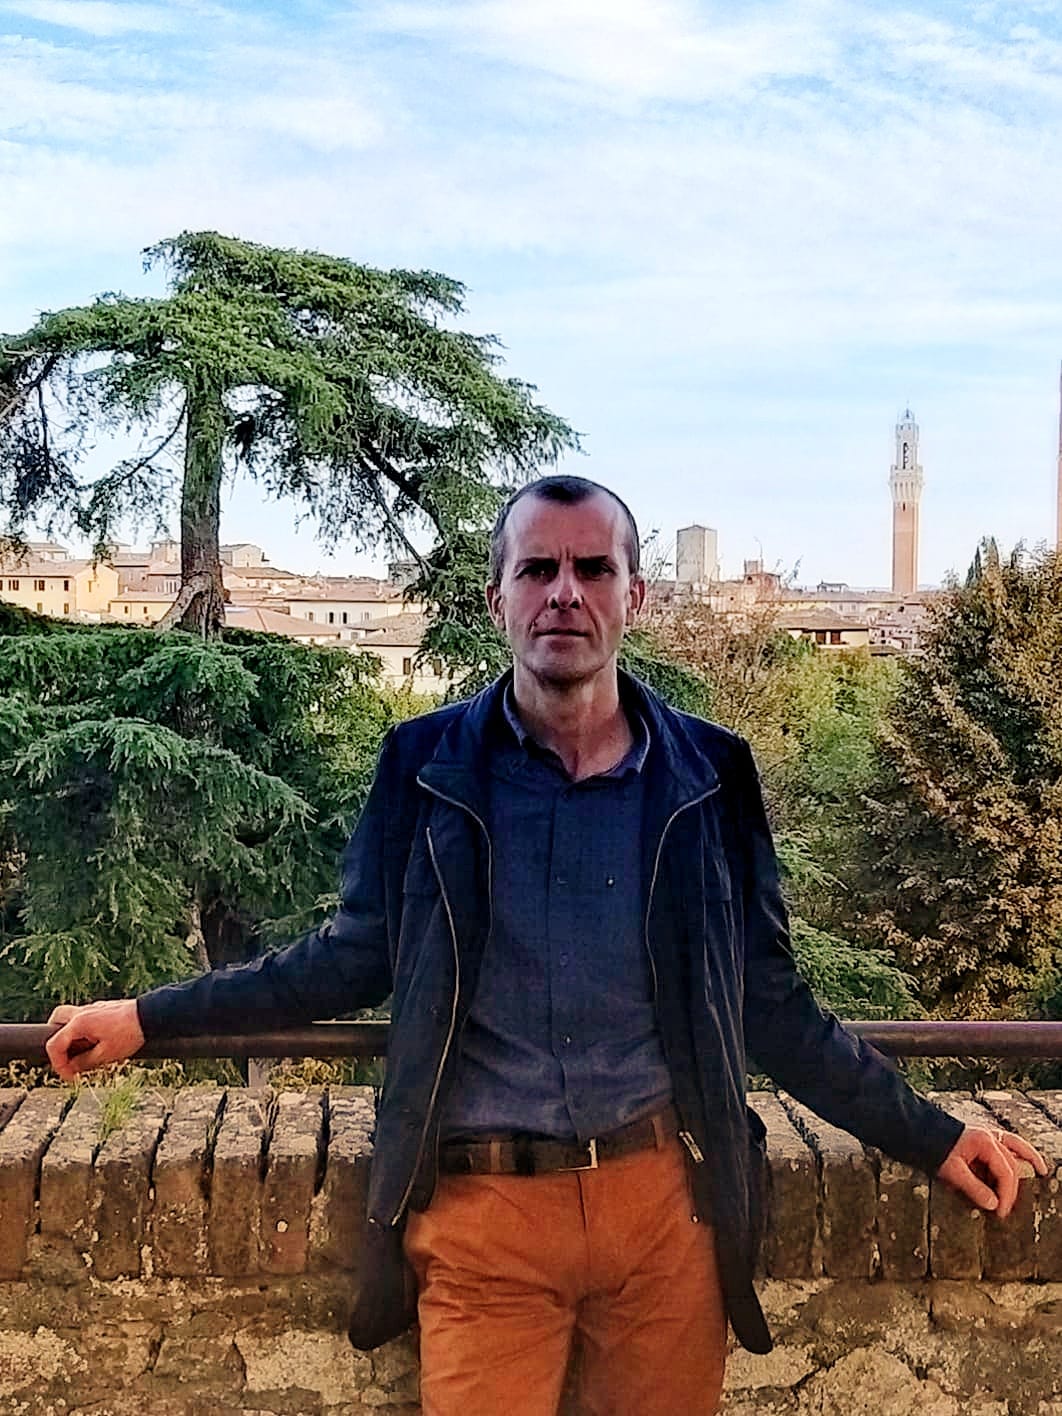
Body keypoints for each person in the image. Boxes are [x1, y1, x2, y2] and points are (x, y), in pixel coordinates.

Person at [47, 475, 1046, 1416]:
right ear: (499, 600)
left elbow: (772, 1006)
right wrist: (148, 1017)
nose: (565, 592)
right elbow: (349, 958)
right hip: (482, 1220)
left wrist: (934, 1136)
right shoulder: (423, 765)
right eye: (538, 569)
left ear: (634, 596)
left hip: (665, 1215)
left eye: (592, 568)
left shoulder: (710, 775)